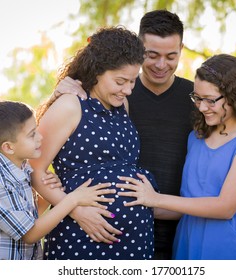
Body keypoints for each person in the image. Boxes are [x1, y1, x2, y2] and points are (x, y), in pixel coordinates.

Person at [52, 9, 236, 259]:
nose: (160, 64)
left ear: (181, 49)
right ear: (138, 50)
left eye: (171, 56)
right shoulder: (118, 92)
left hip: (182, 230)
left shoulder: (198, 98)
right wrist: (60, 92)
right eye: (152, 54)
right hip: (119, 231)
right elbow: (71, 128)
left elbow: (233, 128)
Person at [116, 53, 236, 260]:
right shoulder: (196, 137)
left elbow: (225, 207)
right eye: (197, 98)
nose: (201, 107)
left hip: (226, 241)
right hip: (186, 237)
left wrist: (156, 198)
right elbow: (187, 205)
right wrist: (134, 204)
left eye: (210, 100)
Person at [29, 26, 158, 260]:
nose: (128, 90)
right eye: (120, 81)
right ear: (97, 71)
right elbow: (34, 170)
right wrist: (77, 211)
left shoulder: (121, 107)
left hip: (134, 239)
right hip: (81, 234)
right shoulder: (70, 105)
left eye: (132, 81)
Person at [0, 100, 114, 260]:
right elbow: (30, 234)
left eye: (36, 129)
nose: (40, 137)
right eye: (32, 135)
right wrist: (72, 200)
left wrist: (45, 197)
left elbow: (28, 215)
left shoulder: (20, 168)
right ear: (8, 147)